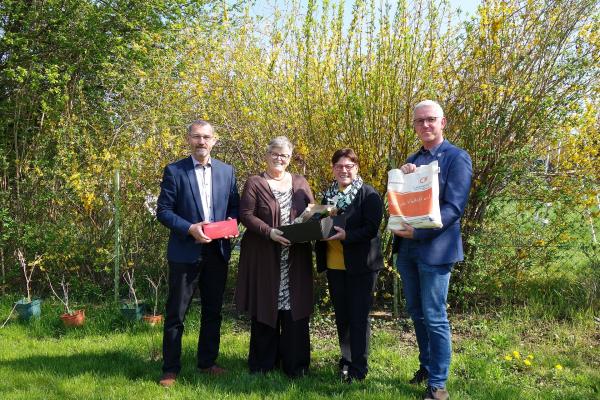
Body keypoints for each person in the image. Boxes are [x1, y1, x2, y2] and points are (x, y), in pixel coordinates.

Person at [391, 100, 472, 400]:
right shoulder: (413, 159)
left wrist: (419, 232)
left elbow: (453, 208)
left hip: (436, 250)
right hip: (407, 248)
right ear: (414, 125)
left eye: (431, 120)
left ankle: (438, 384)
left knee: (435, 315)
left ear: (443, 122)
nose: (425, 125)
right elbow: (403, 202)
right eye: (419, 121)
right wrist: (401, 177)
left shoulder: (456, 158)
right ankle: (426, 366)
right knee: (417, 313)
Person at [156, 119, 239, 387]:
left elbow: (235, 208)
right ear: (189, 139)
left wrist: (229, 226)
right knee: (176, 313)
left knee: (213, 311)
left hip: (217, 253)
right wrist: (190, 228)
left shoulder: (227, 172)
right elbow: (164, 212)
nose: (201, 142)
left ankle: (207, 362)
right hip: (185, 252)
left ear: (215, 140)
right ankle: (170, 368)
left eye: (206, 137)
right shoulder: (175, 171)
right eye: (196, 137)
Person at [235, 136, 314, 378]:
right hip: (264, 254)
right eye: (275, 154)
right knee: (266, 304)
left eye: (285, 155)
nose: (279, 158)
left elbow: (312, 211)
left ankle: (295, 364)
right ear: (267, 154)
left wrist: (313, 220)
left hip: (295, 255)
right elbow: (246, 215)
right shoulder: (255, 182)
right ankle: (262, 364)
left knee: (294, 306)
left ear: (290, 158)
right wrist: (270, 232)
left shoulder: (300, 182)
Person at [314, 148, 384, 383]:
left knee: (358, 317)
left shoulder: (368, 194)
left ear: (356, 168)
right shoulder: (329, 195)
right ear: (333, 169)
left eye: (349, 166)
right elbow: (323, 223)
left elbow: (371, 228)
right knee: (342, 316)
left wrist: (347, 235)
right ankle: (346, 360)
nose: (344, 170)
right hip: (335, 265)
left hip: (361, 266)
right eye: (339, 166)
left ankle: (359, 367)